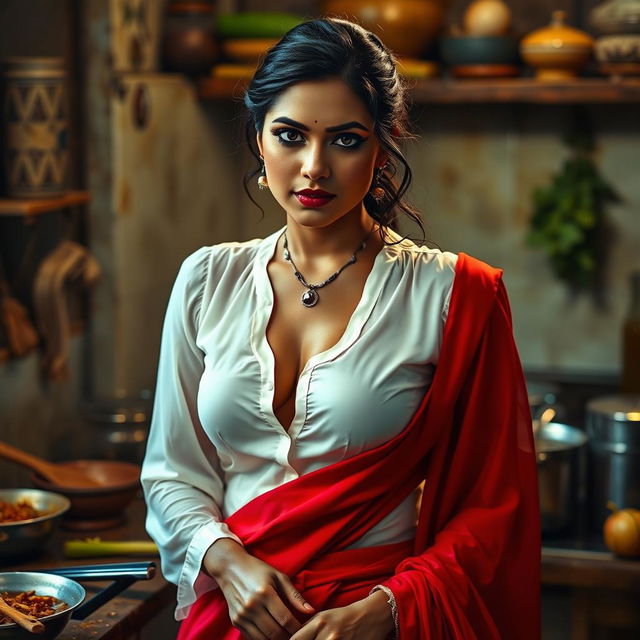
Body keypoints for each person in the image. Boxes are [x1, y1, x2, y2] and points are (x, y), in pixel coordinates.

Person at [140, 16, 541, 640]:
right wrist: (229, 563)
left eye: (346, 140)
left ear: (383, 146)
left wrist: (385, 609)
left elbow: (492, 514)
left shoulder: (453, 296)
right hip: (236, 615)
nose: (314, 167)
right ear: (259, 139)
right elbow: (173, 473)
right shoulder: (206, 281)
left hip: (377, 618)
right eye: (290, 136)